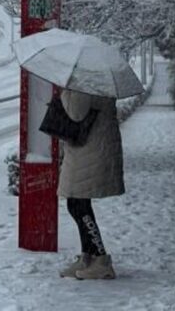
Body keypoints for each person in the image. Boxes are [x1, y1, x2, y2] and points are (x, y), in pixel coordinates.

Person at [56, 88, 124, 280]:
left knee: (79, 204)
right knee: (76, 203)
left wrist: (67, 91)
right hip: (89, 148)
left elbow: (75, 113)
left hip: (90, 150)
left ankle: (101, 259)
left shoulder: (85, 81)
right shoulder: (95, 78)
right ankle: (88, 256)